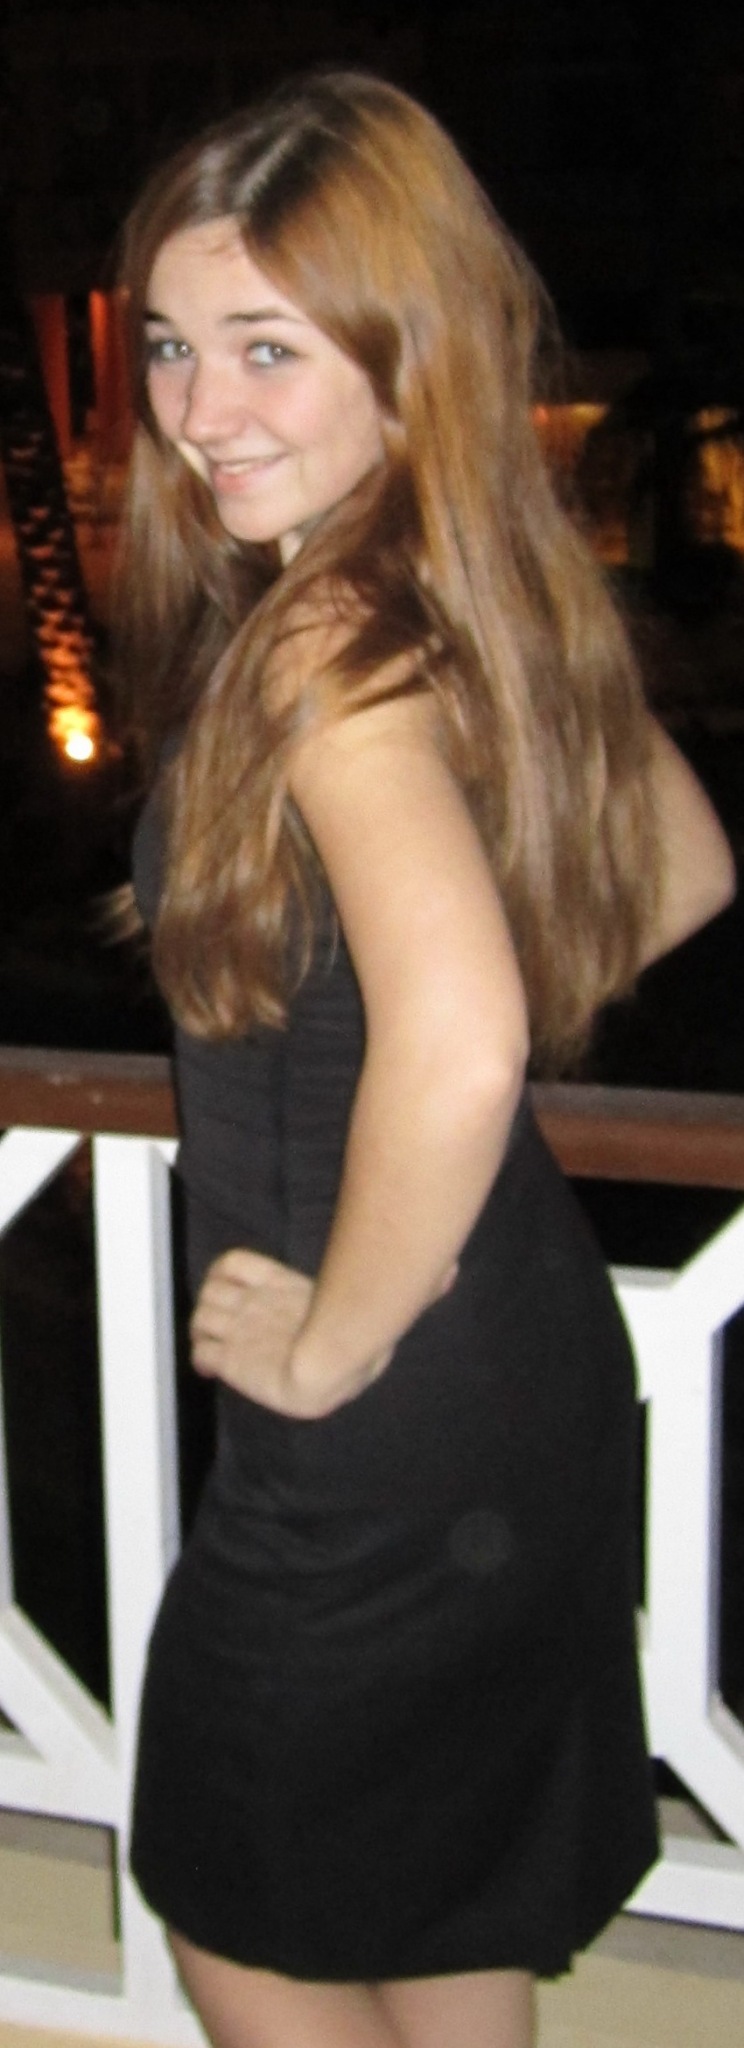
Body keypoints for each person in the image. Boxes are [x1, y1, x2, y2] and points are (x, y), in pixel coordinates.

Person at [116, 71, 735, 2048]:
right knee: (432, 1879)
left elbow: (462, 1046)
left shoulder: (323, 645)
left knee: (238, 1900)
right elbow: (684, 869)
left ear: (409, 350)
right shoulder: (479, 584)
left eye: (268, 348)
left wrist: (332, 1338)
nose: (200, 410)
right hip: (515, 1357)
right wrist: (401, 998)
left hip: (379, 1400)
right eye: (169, 347)